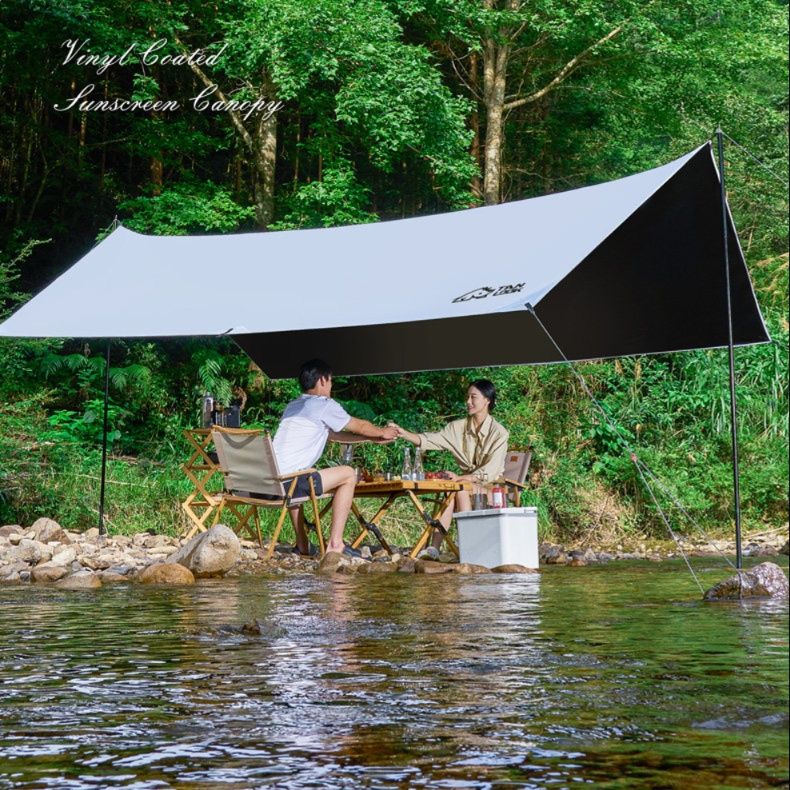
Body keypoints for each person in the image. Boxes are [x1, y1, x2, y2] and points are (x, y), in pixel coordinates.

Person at [272, 358, 398, 557]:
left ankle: (303, 545)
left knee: (297, 475)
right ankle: (335, 544)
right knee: (348, 474)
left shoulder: (293, 406)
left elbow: (330, 434)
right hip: (289, 484)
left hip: (267, 484)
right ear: (322, 380)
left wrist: (369, 439)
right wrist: (382, 432)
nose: (331, 386)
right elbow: (359, 425)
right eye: (331, 381)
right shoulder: (324, 405)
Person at [390, 379, 508, 559]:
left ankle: (466, 543)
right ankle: (435, 549)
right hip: (466, 485)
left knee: (458, 489)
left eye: (473, 397)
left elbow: (490, 471)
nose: (468, 402)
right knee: (454, 490)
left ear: (487, 401)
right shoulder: (457, 428)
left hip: (492, 489)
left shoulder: (499, 433)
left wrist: (464, 478)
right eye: (467, 397)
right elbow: (430, 440)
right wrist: (403, 433)